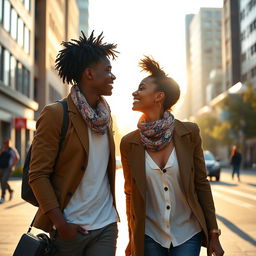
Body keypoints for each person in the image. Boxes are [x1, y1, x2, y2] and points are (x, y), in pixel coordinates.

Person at [120, 57, 224, 256]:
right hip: (150, 234)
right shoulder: (129, 143)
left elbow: (201, 184)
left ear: (159, 96)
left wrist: (214, 234)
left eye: (141, 88)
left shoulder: (189, 133)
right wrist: (132, 237)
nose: (135, 92)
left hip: (187, 232)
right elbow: (130, 194)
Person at [29, 31, 119, 256]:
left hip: (105, 224)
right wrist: (60, 224)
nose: (113, 76)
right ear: (89, 74)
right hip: (69, 229)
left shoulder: (105, 116)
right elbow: (38, 174)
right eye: (107, 70)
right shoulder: (56, 114)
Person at [0, 139, 20, 204]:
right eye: (5, 143)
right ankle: (10, 191)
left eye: (7, 143)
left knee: (4, 181)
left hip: (8, 168)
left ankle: (3, 197)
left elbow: (17, 157)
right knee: (2, 181)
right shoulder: (2, 149)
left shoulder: (11, 150)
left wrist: (12, 165)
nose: (6, 144)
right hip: (1, 167)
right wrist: (1, 152)